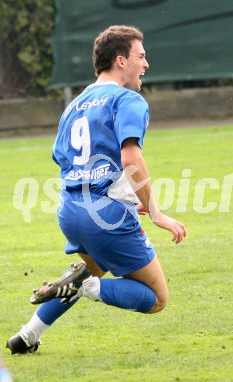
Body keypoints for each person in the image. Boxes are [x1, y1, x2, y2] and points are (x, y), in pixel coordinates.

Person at [6, 25, 186, 354]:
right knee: (157, 298)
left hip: (71, 209)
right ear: (121, 60)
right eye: (141, 56)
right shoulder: (128, 99)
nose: (146, 64)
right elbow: (131, 159)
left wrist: (120, 193)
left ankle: (27, 336)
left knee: (91, 267)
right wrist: (156, 213)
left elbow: (68, 162)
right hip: (106, 214)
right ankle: (86, 285)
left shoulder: (73, 106)